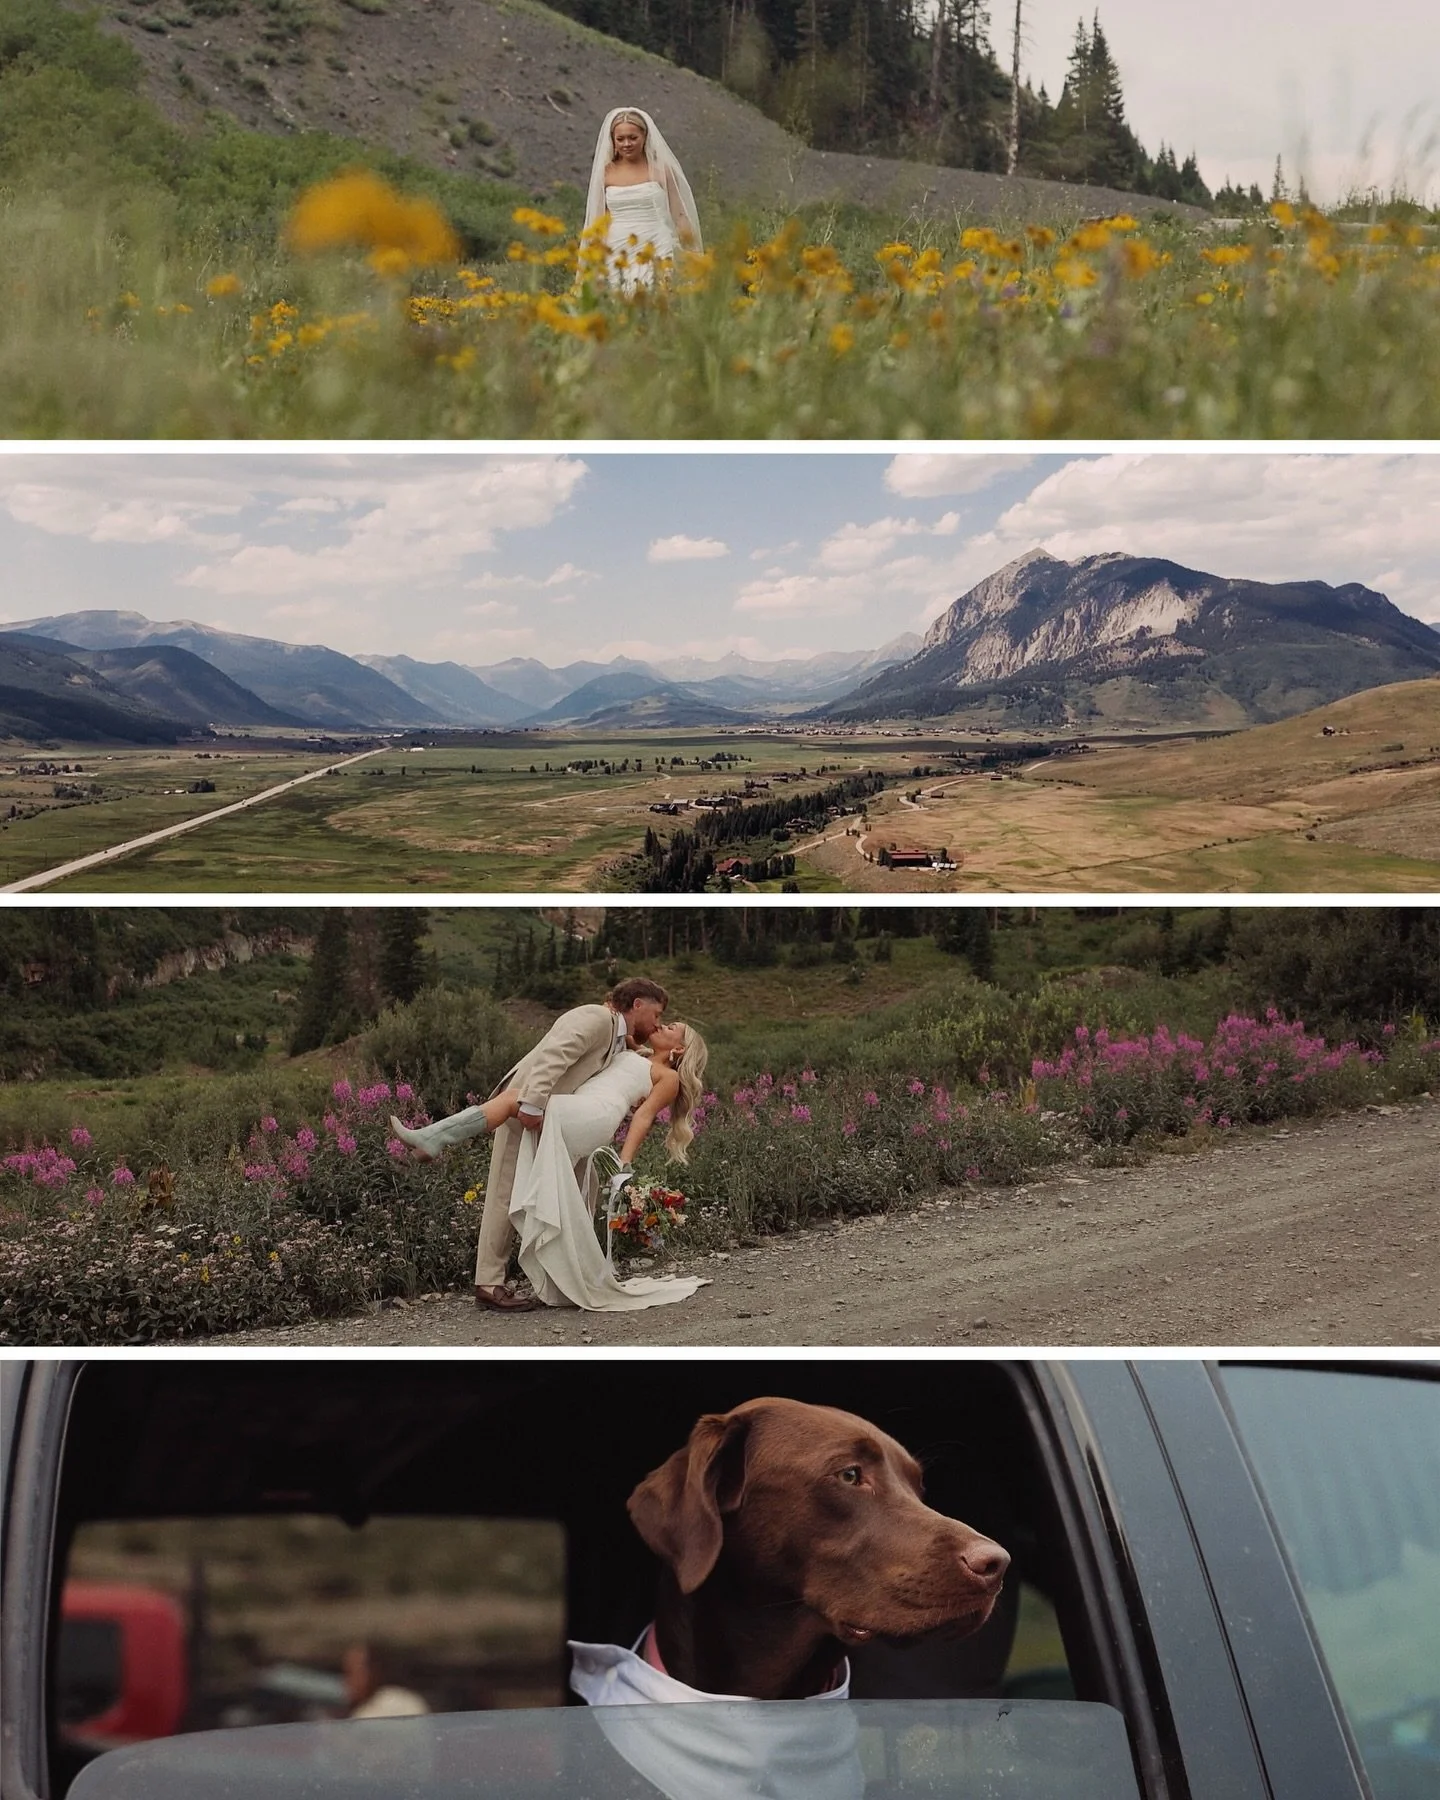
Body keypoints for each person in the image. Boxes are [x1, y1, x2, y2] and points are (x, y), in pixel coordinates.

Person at [389, 979, 705, 1312]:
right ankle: (499, 1281)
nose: (659, 1023)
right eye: (658, 1014)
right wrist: (534, 1103)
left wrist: (623, 1164)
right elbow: (556, 1054)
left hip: (569, 1114)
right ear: (638, 1004)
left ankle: (569, 1274)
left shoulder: (621, 1039)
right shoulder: (599, 1019)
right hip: (537, 1103)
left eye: (667, 1023)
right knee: (513, 1190)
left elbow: (635, 1101)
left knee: (576, 1187)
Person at [583, 106, 702, 293]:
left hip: (657, 244)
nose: (626, 144)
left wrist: (692, 253)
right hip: (617, 248)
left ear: (645, 137)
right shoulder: (606, 174)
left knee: (655, 297)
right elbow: (600, 221)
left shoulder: (662, 170)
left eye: (633, 137)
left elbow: (679, 214)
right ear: (613, 141)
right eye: (620, 139)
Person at [341, 1643, 429, 1720]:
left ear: (372, 1672)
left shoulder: (401, 1705)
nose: (346, 1682)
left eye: (350, 1673)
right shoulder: (360, 1711)